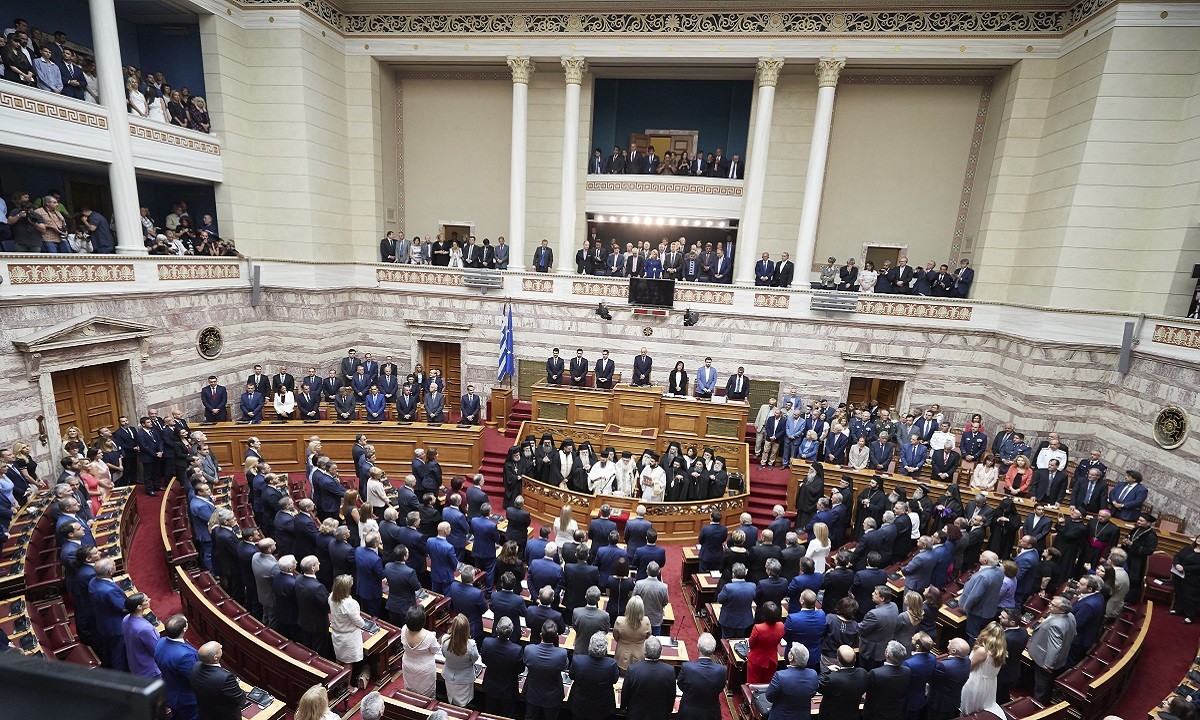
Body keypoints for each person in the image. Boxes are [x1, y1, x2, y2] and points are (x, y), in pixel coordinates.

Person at [1028, 596, 1077, 703]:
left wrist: (1048, 664)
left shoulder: (1056, 625)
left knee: (1041, 684)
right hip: (1061, 656)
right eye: (1050, 603)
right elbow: (1074, 634)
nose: (1049, 605)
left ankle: (1038, 705)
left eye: (1053, 605)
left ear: (1062, 610)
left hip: (1044, 660)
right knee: (1045, 682)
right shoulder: (1070, 616)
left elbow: (1054, 647)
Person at [154, 615, 200, 720]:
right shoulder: (185, 655)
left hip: (170, 690)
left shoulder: (161, 642)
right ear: (184, 628)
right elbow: (195, 677)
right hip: (186, 698)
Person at [523, 620, 570, 720]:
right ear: (556, 636)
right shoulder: (562, 654)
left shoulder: (529, 650)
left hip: (533, 693)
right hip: (552, 696)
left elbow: (526, 662)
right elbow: (565, 667)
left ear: (541, 635)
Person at [570, 631, 621, 720]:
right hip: (602, 707)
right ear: (605, 648)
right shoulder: (611, 664)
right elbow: (614, 680)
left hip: (580, 706)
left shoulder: (577, 661)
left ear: (590, 646)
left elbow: (571, 676)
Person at [622, 637, 676, 720]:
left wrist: (623, 706)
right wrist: (669, 709)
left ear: (644, 651)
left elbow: (626, 691)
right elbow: (671, 694)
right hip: (659, 715)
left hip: (636, 715)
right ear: (660, 652)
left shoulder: (633, 669)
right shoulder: (669, 670)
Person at [190, 642, 247, 720]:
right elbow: (240, 700)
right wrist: (237, 688)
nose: (221, 647)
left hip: (205, 713)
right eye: (220, 648)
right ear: (215, 657)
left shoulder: (195, 666)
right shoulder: (225, 677)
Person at [960, 621, 1007, 716]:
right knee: (978, 708)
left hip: (975, 682)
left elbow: (968, 667)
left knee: (967, 708)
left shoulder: (983, 651)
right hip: (989, 684)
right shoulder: (1001, 651)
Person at [481, 617, 524, 716]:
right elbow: (520, 669)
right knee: (507, 716)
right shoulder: (517, 650)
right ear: (512, 631)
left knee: (490, 715)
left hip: (491, 687)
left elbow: (484, 660)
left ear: (496, 629)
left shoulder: (487, 642)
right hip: (508, 690)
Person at [767, 643, 820, 720]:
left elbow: (769, 697)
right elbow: (812, 693)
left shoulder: (780, 676)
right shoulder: (813, 674)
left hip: (780, 717)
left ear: (791, 657)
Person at [863, 641, 912, 720]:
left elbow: (870, 696)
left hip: (878, 714)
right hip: (897, 712)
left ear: (887, 654)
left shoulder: (876, 673)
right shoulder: (907, 671)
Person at [819, 645, 869, 720]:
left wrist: (826, 670)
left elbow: (818, 685)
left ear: (838, 660)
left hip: (831, 716)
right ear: (855, 659)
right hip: (852, 715)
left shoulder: (832, 678)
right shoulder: (863, 674)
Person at [441, 615, 480, 706]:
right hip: (465, 678)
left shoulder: (444, 640)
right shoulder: (471, 645)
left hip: (449, 676)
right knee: (463, 704)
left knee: (451, 701)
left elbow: (444, 654)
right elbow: (475, 659)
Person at [401, 606, 438, 698]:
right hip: (424, 669)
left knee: (410, 693)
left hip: (408, 665)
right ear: (423, 621)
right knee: (427, 697)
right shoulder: (429, 636)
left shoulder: (403, 629)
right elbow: (435, 650)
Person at [122, 593, 161, 678]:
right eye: (146, 600)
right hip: (150, 670)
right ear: (139, 607)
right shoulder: (145, 629)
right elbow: (156, 651)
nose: (149, 600)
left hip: (135, 665)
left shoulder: (126, 619)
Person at [614, 595, 652, 672]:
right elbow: (648, 636)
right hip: (640, 656)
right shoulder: (646, 621)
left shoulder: (619, 621)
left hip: (622, 656)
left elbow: (616, 637)